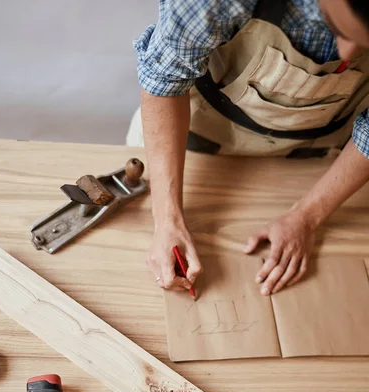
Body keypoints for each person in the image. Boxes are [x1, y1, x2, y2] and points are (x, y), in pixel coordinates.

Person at [129, 0, 369, 295]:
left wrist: (306, 216)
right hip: (191, 132)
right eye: (335, 27)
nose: (348, 53)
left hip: (317, 155)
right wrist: (167, 220)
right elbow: (166, 79)